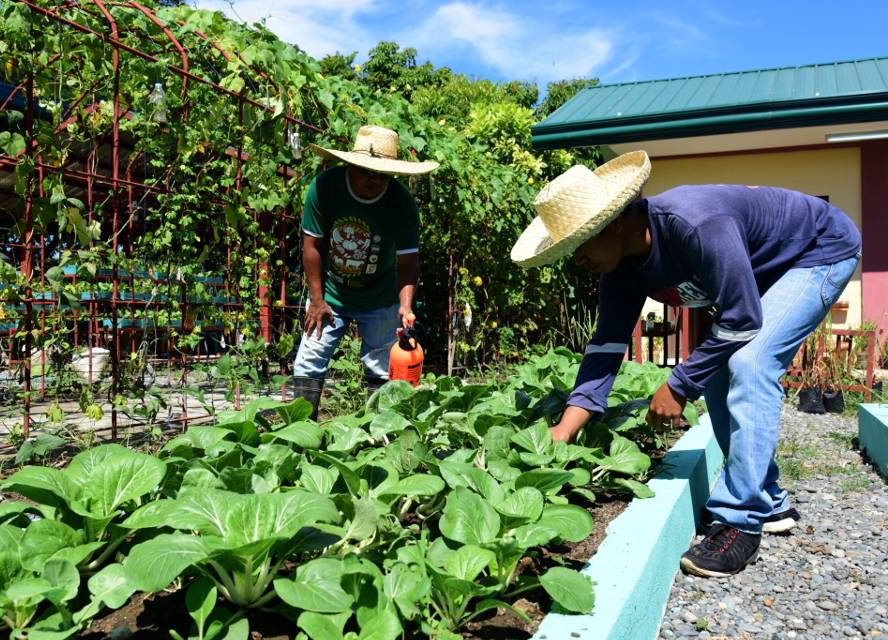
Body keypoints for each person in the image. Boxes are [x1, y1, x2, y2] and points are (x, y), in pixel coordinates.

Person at [511, 151, 861, 578]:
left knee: (750, 362)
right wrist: (565, 429)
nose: (576, 258)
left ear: (614, 222)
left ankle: (740, 522)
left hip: (817, 250)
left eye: (579, 243)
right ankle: (768, 501)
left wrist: (679, 385)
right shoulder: (620, 269)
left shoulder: (693, 224)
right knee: (718, 370)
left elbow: (742, 318)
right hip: (763, 269)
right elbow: (605, 347)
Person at [292, 125, 438, 419]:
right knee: (309, 360)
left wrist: (405, 307)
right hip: (331, 294)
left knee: (382, 366)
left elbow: (408, 262)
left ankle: (378, 436)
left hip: (381, 296)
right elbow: (312, 246)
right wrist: (317, 300)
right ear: (351, 164)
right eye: (367, 171)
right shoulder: (324, 188)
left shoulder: (402, 204)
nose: (374, 180)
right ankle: (299, 435)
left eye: (382, 174)